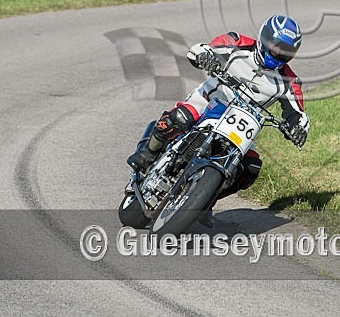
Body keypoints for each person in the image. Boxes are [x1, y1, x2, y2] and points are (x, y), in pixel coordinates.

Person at [126, 15, 310, 222]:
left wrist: (298, 128)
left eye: (286, 52)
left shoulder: (290, 81)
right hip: (208, 101)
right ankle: (147, 154)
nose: (279, 54)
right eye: (277, 48)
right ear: (265, 39)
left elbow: (298, 113)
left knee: (251, 168)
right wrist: (205, 56)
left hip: (240, 125)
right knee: (177, 119)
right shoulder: (238, 43)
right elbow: (202, 49)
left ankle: (204, 200)